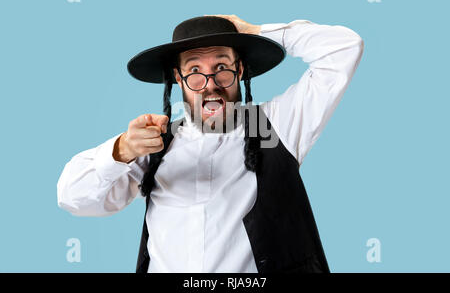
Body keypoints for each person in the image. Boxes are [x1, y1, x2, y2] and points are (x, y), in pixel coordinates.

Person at [57, 14, 364, 273]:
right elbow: (73, 197)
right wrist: (122, 150)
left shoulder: (278, 125)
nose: (210, 85)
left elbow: (344, 49)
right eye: (194, 72)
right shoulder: (152, 143)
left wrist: (255, 32)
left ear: (240, 70)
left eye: (221, 68)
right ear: (178, 80)